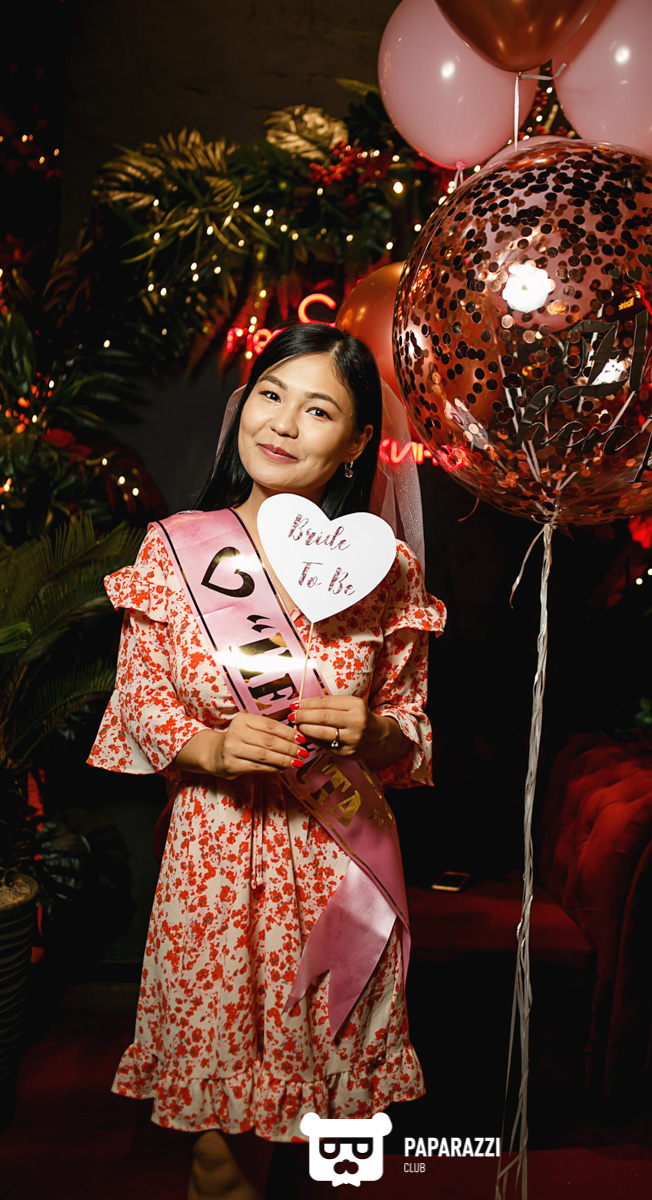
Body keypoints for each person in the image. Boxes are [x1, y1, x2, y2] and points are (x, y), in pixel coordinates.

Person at [88, 323, 446, 1199]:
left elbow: (411, 728)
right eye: (271, 395)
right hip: (214, 872)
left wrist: (373, 731)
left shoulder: (386, 570)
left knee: (328, 1146)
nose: (283, 423)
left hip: (339, 867)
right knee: (220, 1157)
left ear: (357, 443)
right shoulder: (175, 550)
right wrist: (210, 747)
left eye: (318, 409)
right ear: (243, 405)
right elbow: (140, 702)